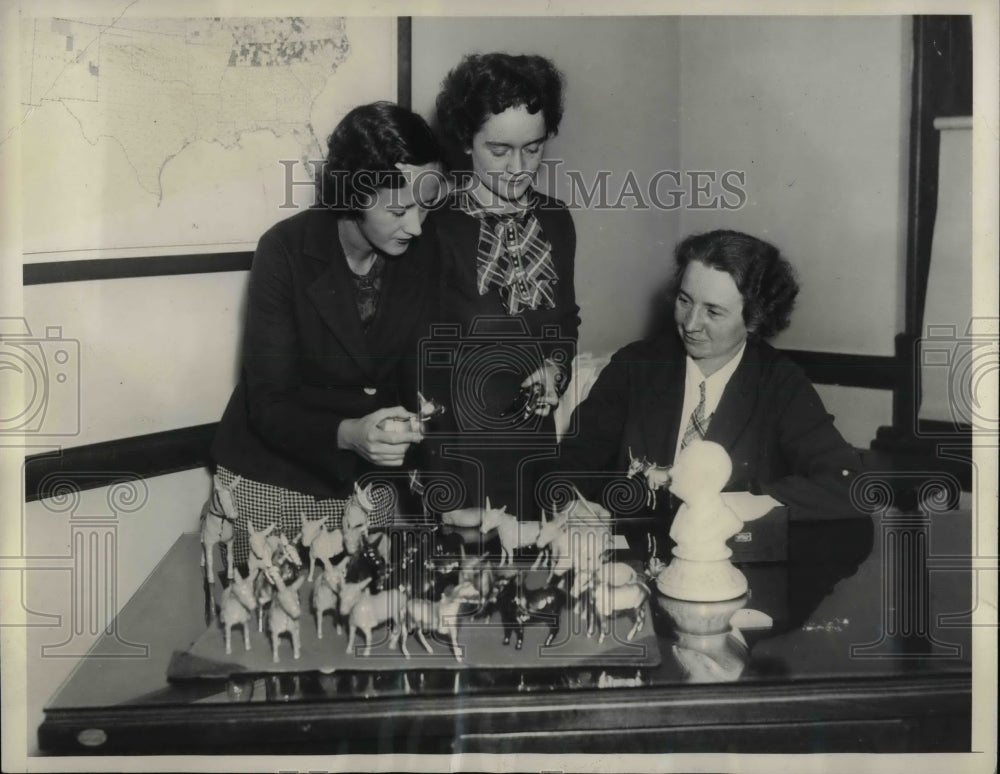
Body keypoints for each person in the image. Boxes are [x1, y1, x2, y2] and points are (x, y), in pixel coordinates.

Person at [210, 101, 445, 563]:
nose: (416, 226)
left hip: (367, 486)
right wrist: (349, 432)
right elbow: (268, 403)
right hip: (272, 480)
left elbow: (421, 376)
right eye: (398, 209)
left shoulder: (423, 250)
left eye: (426, 205)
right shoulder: (284, 250)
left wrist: (429, 487)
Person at [557, 229, 867, 525]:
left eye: (713, 312)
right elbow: (568, 464)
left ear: (755, 320)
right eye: (684, 301)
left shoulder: (780, 383)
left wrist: (739, 507)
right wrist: (574, 504)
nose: (691, 324)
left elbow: (849, 484)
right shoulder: (635, 365)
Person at [425, 52, 580, 519]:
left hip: (533, 450)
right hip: (452, 452)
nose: (518, 167)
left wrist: (554, 369)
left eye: (532, 149)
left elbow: (565, 322)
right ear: (465, 141)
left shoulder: (556, 220)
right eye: (499, 150)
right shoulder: (432, 224)